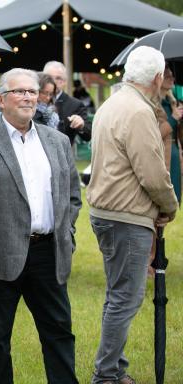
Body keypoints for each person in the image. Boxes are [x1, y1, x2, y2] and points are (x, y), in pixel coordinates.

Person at [0, 68, 82, 384]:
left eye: (32, 91)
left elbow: (72, 196)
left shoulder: (57, 141)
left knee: (60, 335)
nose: (28, 96)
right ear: (0, 100)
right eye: (19, 91)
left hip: (47, 254)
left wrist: (67, 233)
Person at [87, 46, 178, 384]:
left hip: (108, 211)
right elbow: (152, 173)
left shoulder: (112, 103)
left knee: (117, 295)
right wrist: (170, 205)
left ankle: (115, 367)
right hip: (125, 215)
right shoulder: (138, 111)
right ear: (157, 78)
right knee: (126, 297)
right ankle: (106, 374)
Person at [43, 61, 91, 145]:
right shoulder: (34, 100)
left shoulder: (75, 104)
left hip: (62, 155)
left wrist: (81, 125)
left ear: (65, 81)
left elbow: (88, 135)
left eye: (58, 78)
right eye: (49, 77)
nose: (54, 82)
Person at [159, 65, 183, 202]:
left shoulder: (172, 102)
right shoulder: (155, 104)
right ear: (159, 79)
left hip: (174, 155)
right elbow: (155, 134)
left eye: (172, 75)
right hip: (163, 156)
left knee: (174, 199)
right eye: (168, 76)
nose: (172, 78)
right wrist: (173, 118)